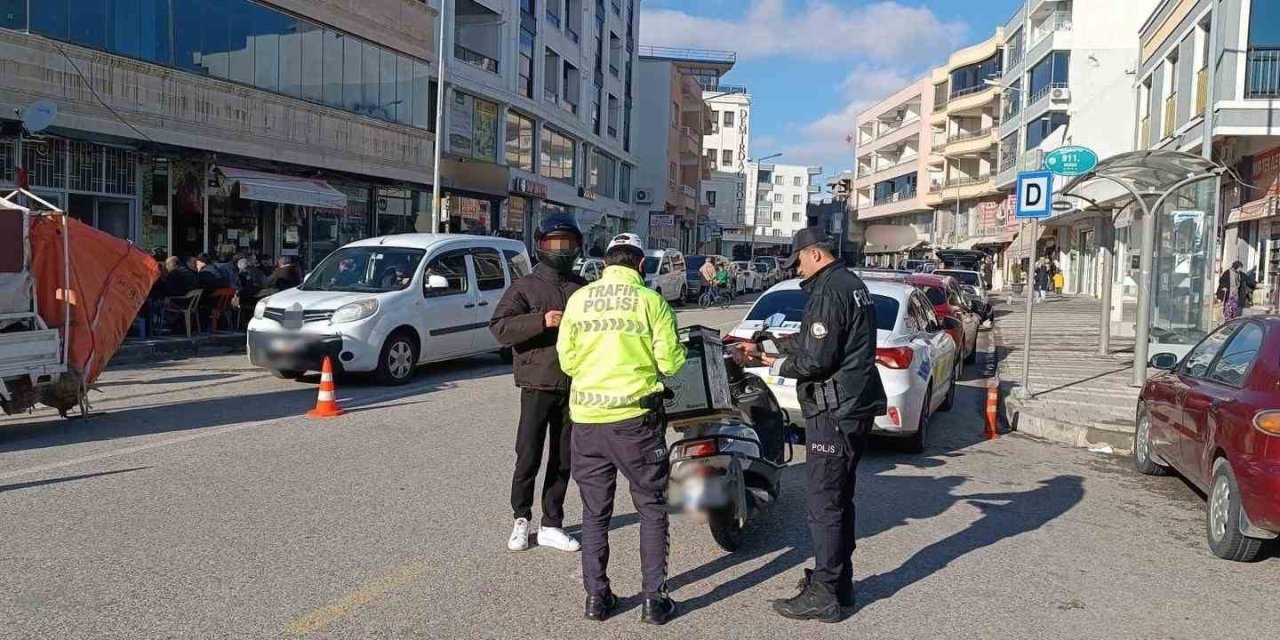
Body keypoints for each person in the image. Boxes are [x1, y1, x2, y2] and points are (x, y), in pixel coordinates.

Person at [732, 228, 886, 623]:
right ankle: (840, 583)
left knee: (824, 504)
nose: (797, 269)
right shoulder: (851, 284)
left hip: (834, 411)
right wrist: (772, 345)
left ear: (814, 255)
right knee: (840, 499)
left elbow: (817, 360)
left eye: (798, 260)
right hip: (854, 406)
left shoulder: (827, 291)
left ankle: (825, 593)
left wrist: (769, 363)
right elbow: (820, 338)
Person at [556, 232, 686, 625]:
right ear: (641, 265)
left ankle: (597, 599)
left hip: (587, 422)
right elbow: (671, 363)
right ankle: (654, 600)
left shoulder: (578, 300)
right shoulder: (651, 301)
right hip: (636, 422)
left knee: (595, 513)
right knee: (652, 508)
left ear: (607, 262)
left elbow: (567, 361)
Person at [489, 215, 589, 555]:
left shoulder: (582, 287)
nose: (561, 250)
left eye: (568, 244)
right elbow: (500, 327)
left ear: (578, 246)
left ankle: (552, 523)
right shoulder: (525, 286)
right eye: (553, 244)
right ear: (540, 246)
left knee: (563, 459)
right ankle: (521, 518)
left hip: (574, 385)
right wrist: (540, 320)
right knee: (528, 454)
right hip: (536, 383)